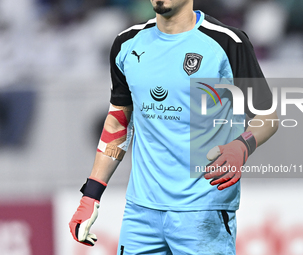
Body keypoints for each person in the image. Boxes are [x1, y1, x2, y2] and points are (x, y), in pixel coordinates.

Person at [69, 0, 279, 254]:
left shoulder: (227, 43)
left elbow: (267, 117)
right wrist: (91, 194)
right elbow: (118, 122)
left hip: (203, 212)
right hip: (141, 213)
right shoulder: (126, 44)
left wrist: (242, 145)